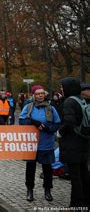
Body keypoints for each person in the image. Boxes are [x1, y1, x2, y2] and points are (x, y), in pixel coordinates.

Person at [19, 85, 61, 202]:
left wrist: (49, 128)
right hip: (31, 144)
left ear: (45, 94)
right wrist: (34, 122)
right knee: (30, 168)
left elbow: (57, 123)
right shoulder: (28, 107)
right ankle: (29, 190)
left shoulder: (50, 108)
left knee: (47, 169)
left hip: (46, 143)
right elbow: (22, 121)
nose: (40, 95)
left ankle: (47, 190)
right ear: (34, 95)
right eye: (37, 94)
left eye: (42, 93)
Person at [58, 77, 89, 208]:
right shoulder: (82, 100)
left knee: (75, 177)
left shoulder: (69, 101)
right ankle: (86, 203)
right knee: (84, 175)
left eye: (62, 86)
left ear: (67, 88)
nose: (61, 89)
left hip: (72, 144)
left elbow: (69, 122)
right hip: (83, 141)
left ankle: (76, 206)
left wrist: (60, 132)